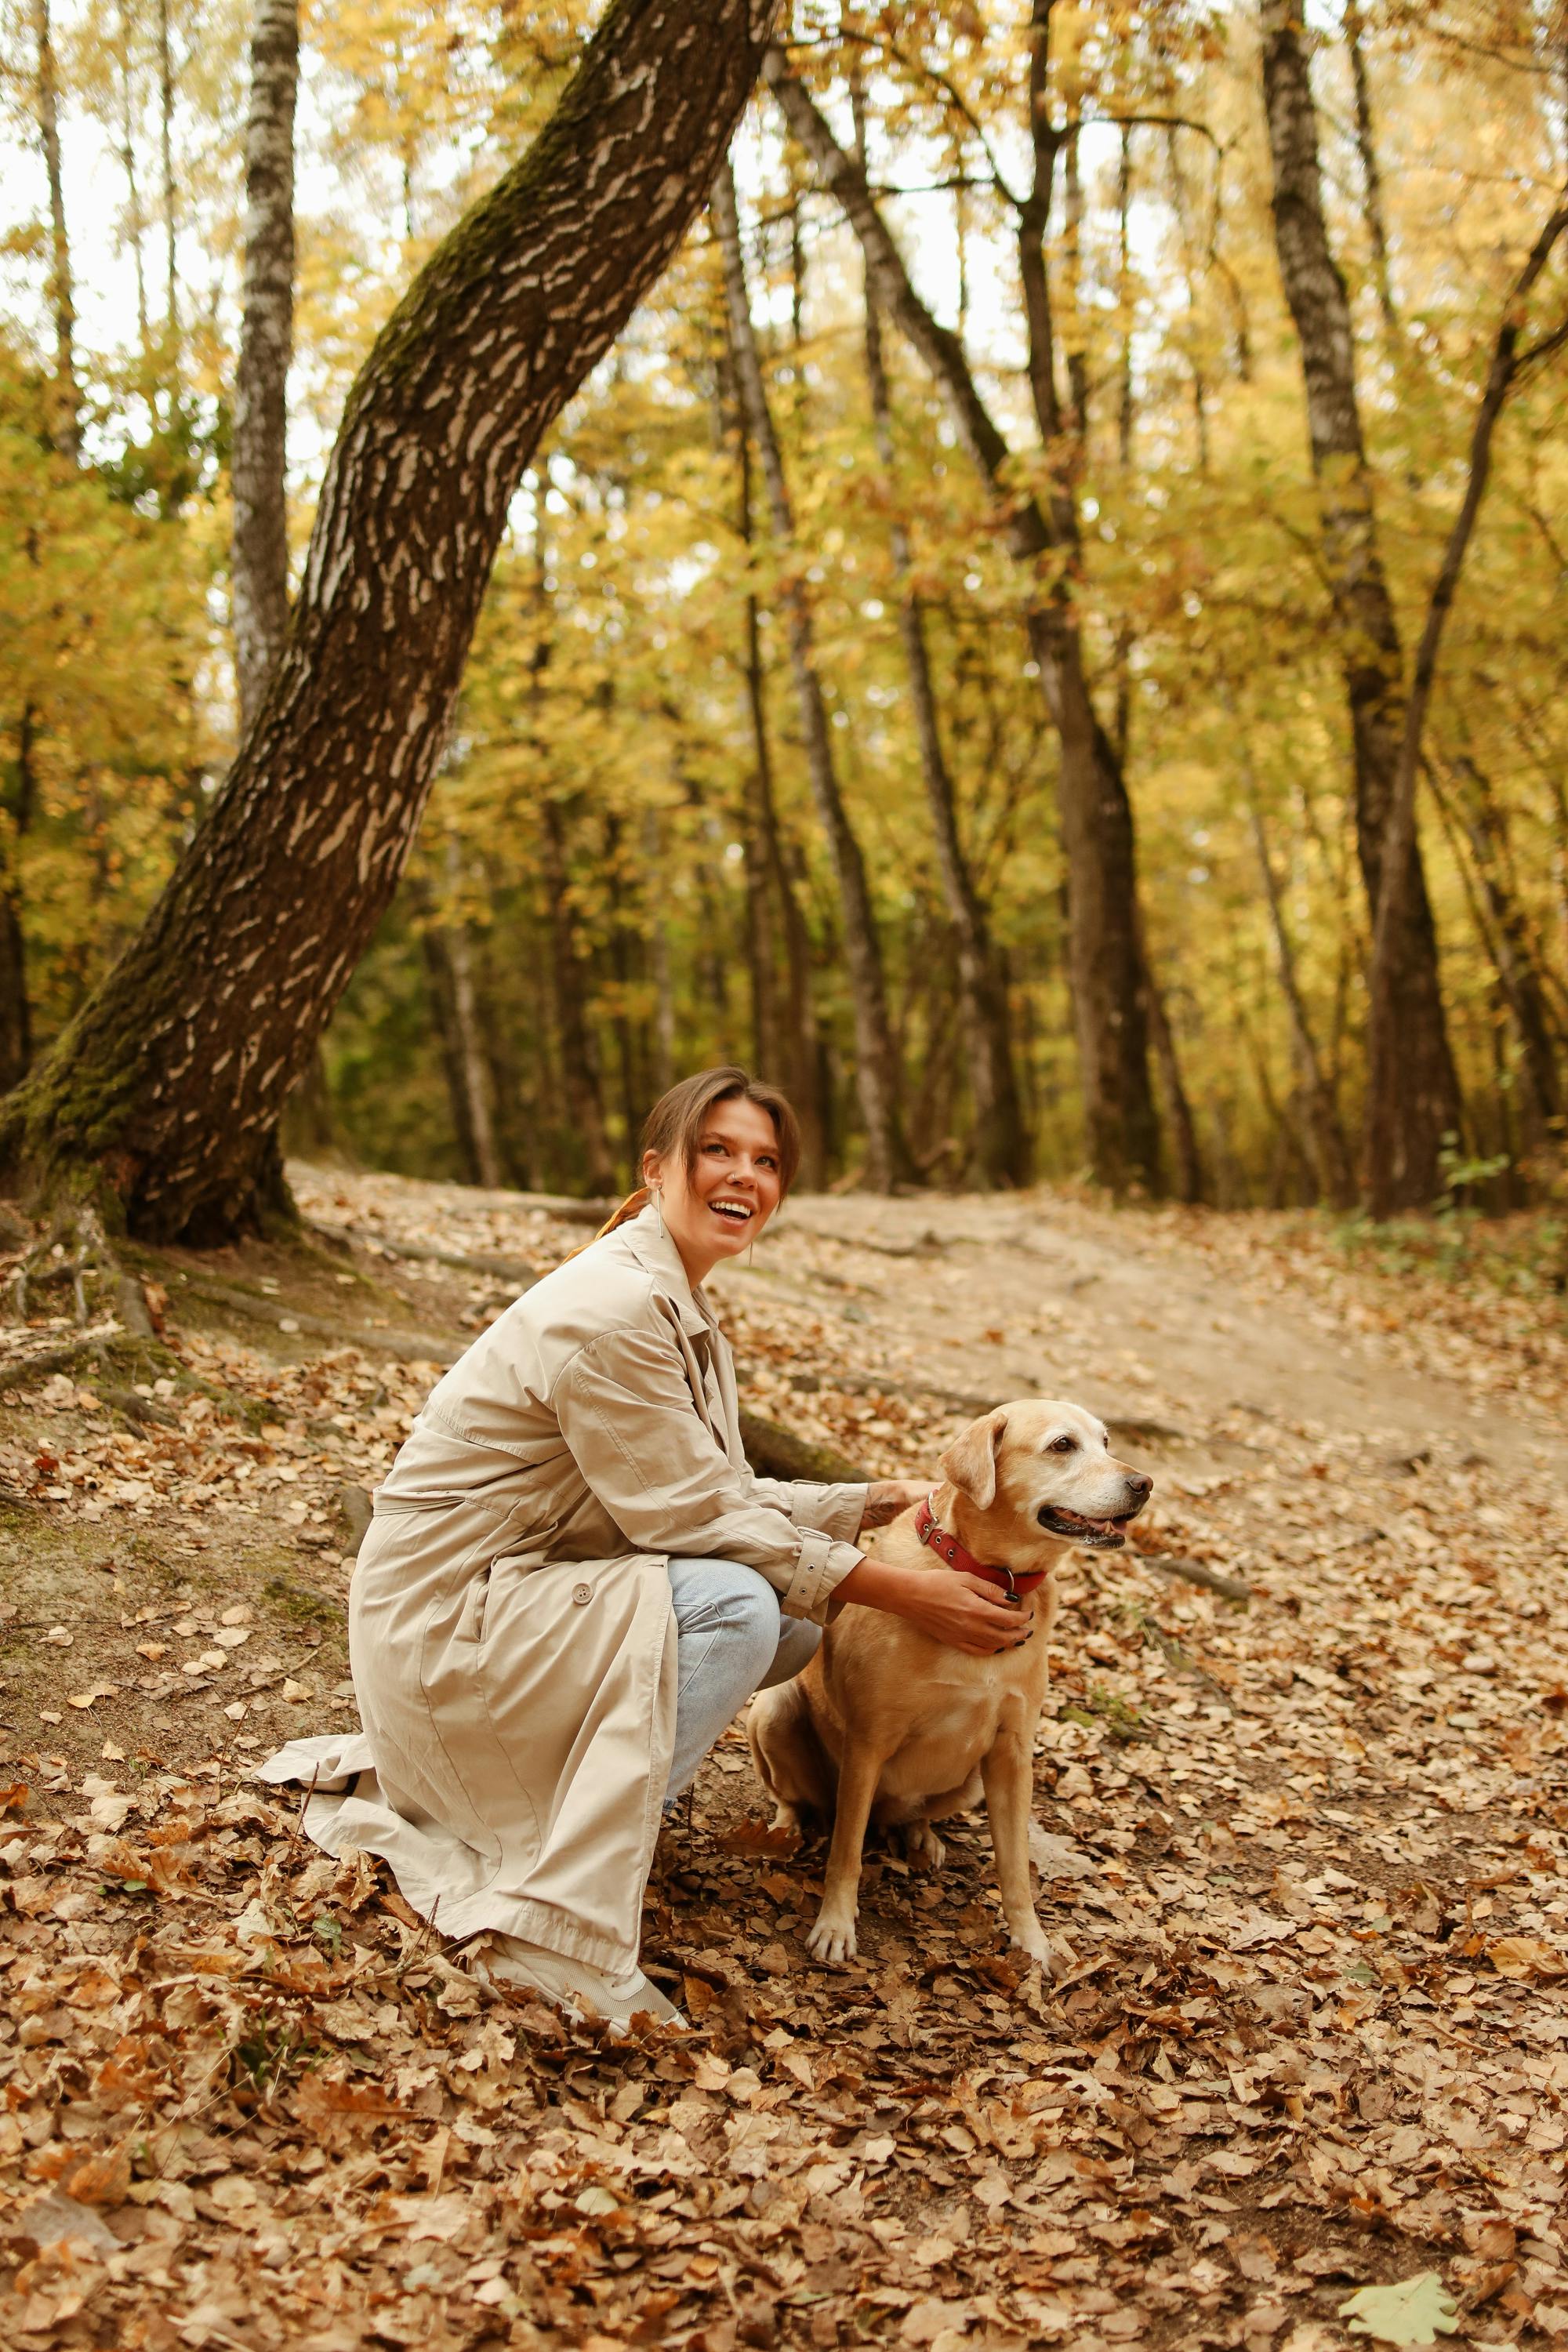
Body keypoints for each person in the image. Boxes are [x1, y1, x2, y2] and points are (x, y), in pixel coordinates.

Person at [259, 1067, 1031, 2027]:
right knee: (743, 1609)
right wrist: (899, 1593)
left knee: (787, 1623)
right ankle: (556, 1915)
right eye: (717, 1151)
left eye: (766, 1160)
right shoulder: (616, 1308)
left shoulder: (675, 1298)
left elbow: (710, 1487)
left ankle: (588, 1809)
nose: (743, 1177)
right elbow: (689, 1519)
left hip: (526, 1587)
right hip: (449, 1612)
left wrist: (871, 1499)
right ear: (656, 1166)